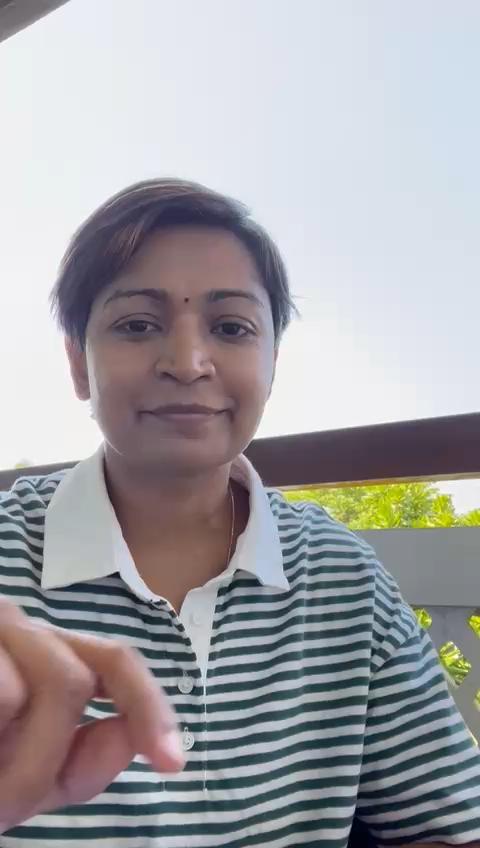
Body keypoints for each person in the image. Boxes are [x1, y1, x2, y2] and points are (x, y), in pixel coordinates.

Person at [0, 179, 479, 848]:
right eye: (137, 324)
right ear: (79, 363)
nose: (187, 363)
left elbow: (447, 825)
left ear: (272, 362)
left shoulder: (345, 578)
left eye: (231, 328)